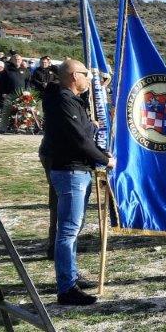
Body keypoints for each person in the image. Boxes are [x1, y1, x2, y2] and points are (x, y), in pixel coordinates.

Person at [41, 59, 114, 305]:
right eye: (85, 74)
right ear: (74, 76)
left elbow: (82, 133)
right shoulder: (63, 99)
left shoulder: (69, 99)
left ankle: (70, 277)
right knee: (68, 232)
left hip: (77, 169)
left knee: (72, 230)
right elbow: (79, 141)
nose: (89, 78)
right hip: (71, 172)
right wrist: (105, 160)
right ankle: (66, 288)